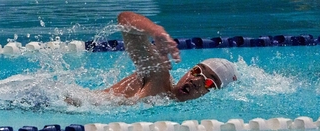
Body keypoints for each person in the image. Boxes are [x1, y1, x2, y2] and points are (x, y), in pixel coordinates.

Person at [68, 11, 238, 105]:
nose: (196, 80)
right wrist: (156, 30)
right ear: (188, 70)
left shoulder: (166, 101)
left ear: (214, 94)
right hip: (58, 101)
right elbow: (124, 19)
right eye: (196, 71)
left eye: (209, 82)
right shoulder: (160, 77)